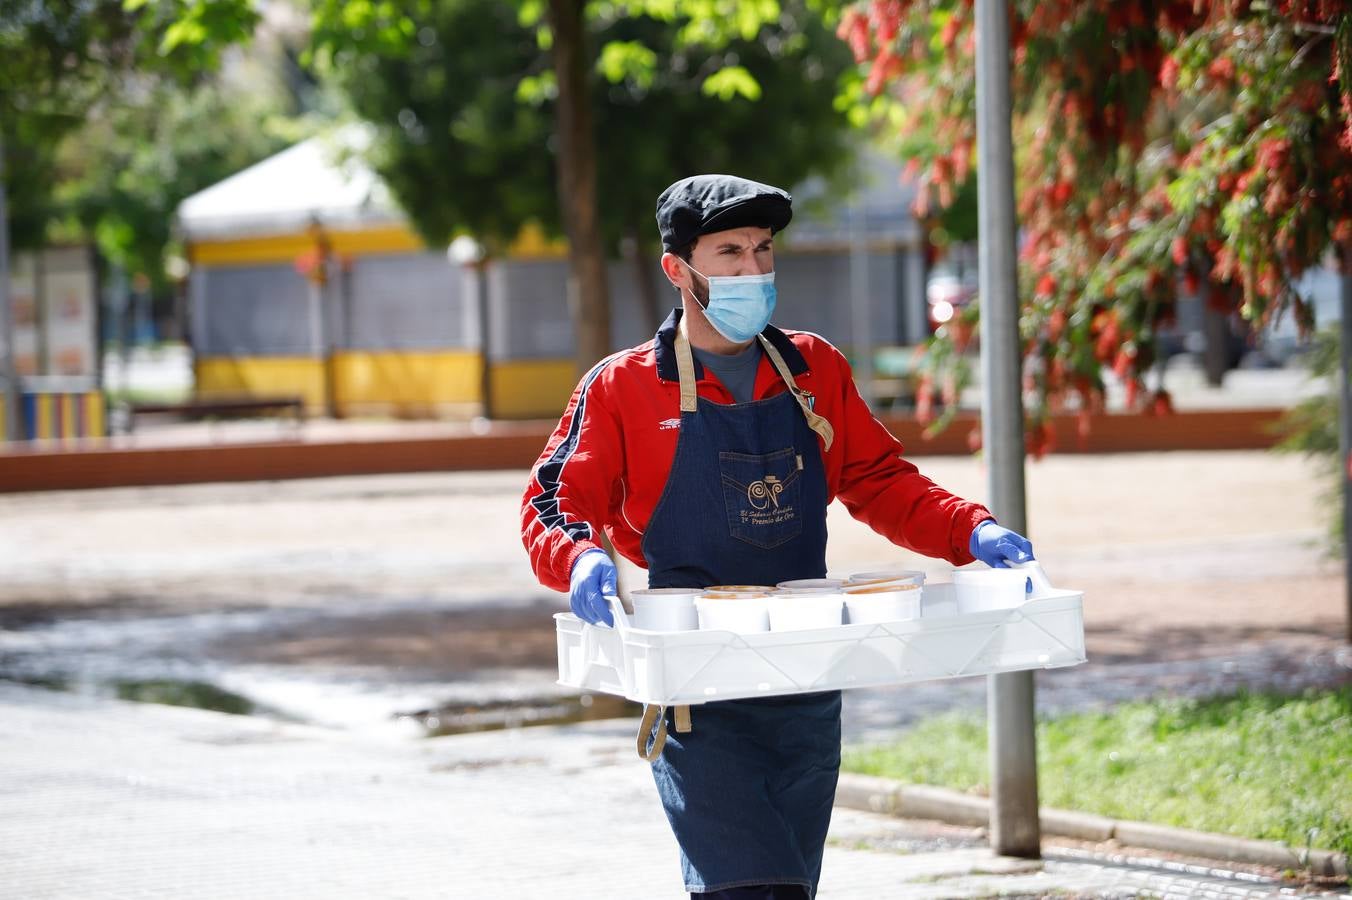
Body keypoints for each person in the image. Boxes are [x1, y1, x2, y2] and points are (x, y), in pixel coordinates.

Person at [521, 174, 1035, 900]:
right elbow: (552, 500)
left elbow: (879, 479)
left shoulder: (813, 367)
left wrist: (971, 530)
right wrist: (576, 559)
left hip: (807, 685)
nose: (753, 271)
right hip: (699, 694)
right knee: (752, 891)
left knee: (790, 886)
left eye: (763, 251)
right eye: (728, 253)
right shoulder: (622, 388)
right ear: (678, 269)